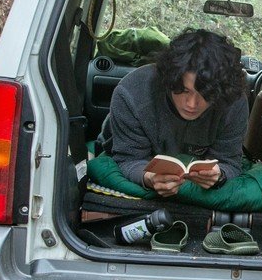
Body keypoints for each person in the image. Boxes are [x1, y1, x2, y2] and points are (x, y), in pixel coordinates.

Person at [98, 28, 248, 196]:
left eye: (206, 95)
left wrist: (219, 175)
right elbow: (128, 158)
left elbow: (230, 161)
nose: (192, 104)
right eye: (183, 91)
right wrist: (148, 178)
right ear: (169, 80)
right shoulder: (132, 93)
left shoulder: (233, 102)